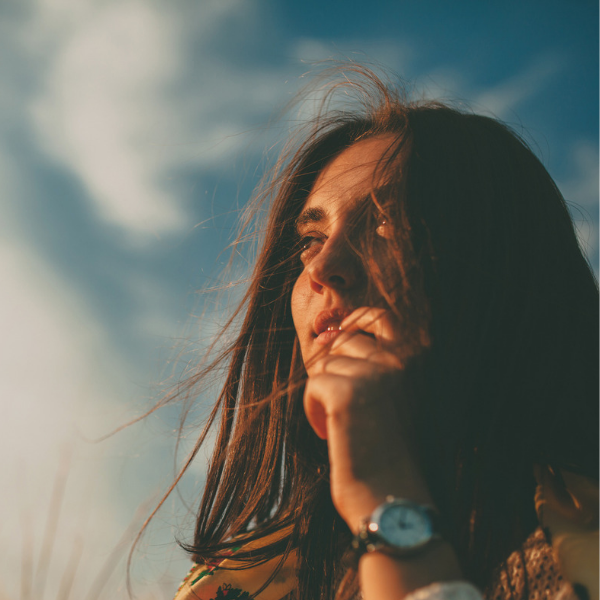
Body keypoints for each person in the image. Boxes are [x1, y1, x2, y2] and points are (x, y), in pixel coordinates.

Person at [171, 68, 599, 600]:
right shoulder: (248, 577)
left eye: (389, 221)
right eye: (311, 236)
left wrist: (386, 498)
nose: (322, 266)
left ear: (505, 264)